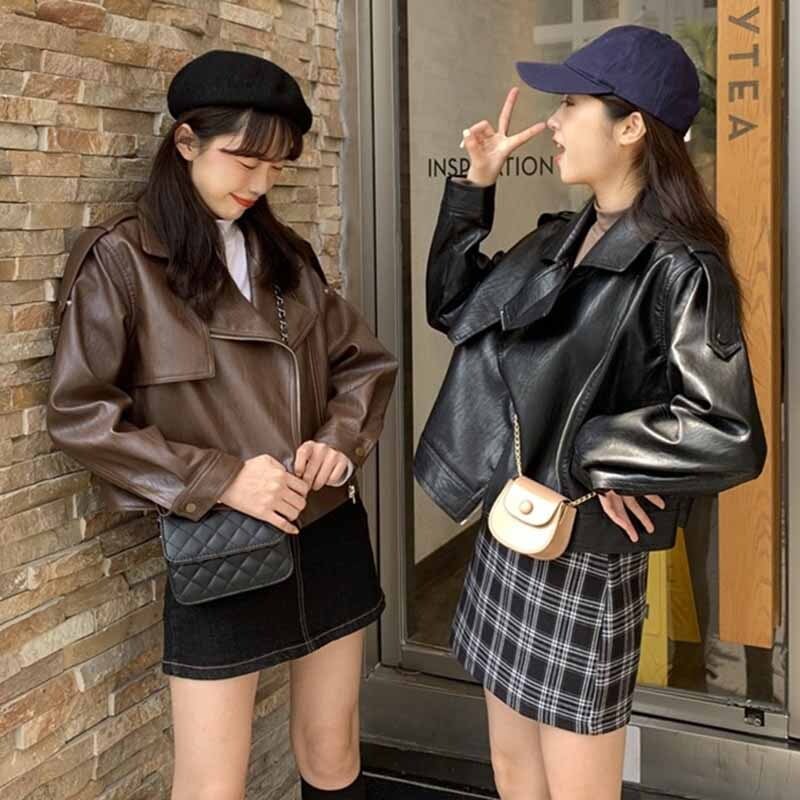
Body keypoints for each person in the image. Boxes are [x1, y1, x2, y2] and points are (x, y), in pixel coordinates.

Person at [415, 25, 766, 800]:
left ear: (632, 125)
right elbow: (453, 307)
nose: (554, 122)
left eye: (571, 104)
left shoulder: (682, 265)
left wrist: (596, 454)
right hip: (511, 529)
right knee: (512, 769)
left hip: (584, 551)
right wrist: (473, 187)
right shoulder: (559, 239)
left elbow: (728, 432)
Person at [47, 50, 397, 800]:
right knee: (211, 782)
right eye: (245, 160)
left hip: (326, 525)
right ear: (186, 141)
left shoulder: (285, 254)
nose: (260, 183)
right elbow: (81, 412)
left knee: (333, 752)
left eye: (276, 167)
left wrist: (339, 442)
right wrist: (223, 477)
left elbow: (363, 363)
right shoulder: (122, 259)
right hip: (219, 544)